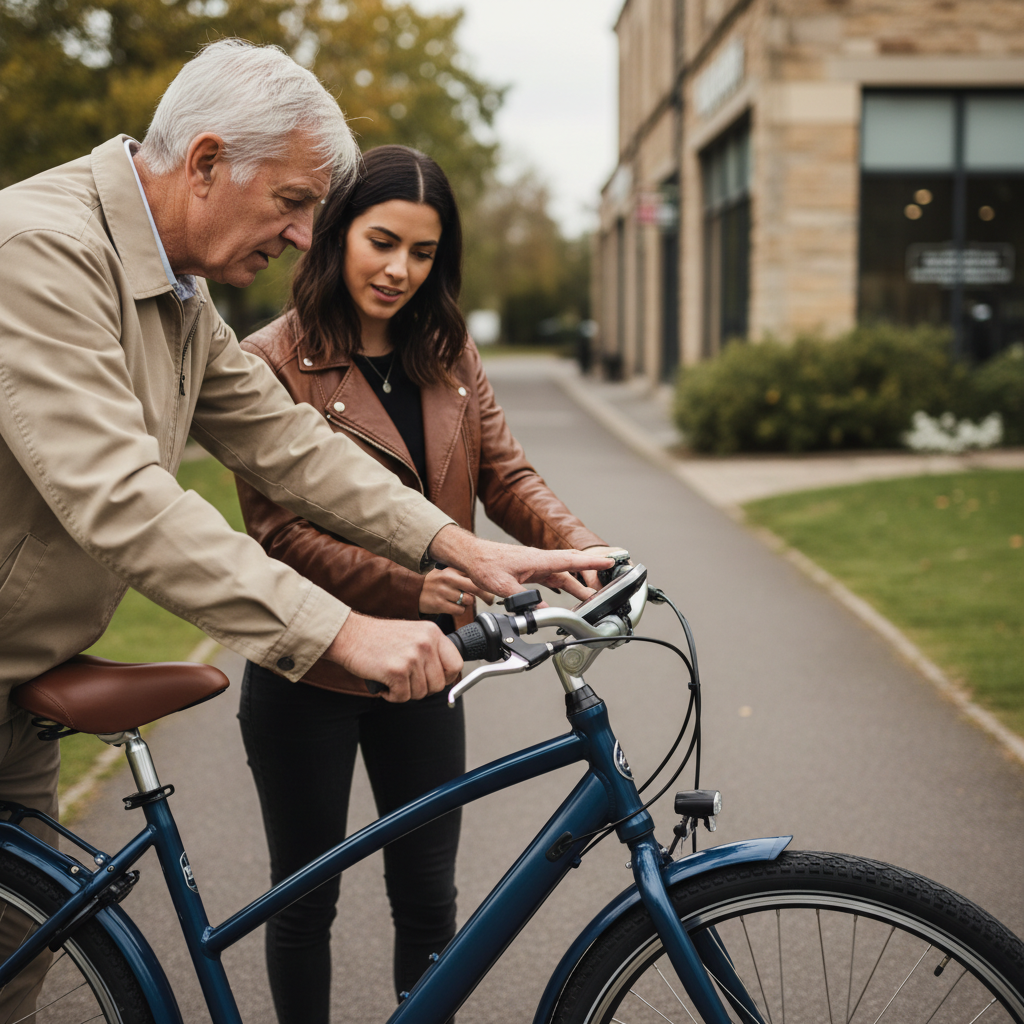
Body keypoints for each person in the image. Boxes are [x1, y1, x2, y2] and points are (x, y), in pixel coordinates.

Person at [0, 41, 610, 1018]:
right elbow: (120, 497)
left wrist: (464, 547)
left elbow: (291, 446)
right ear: (204, 163)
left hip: (19, 692)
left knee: (15, 973)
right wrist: (343, 630)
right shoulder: (39, 248)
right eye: (290, 202)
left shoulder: (176, 296)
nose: (298, 237)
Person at [234, 144, 614, 1024]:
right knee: (304, 902)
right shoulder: (270, 360)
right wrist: (418, 585)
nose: (400, 270)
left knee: (429, 899)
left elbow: (507, 478)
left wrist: (582, 548)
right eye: (382, 242)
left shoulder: (447, 351)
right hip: (310, 674)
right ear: (336, 235)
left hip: (436, 668)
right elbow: (280, 531)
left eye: (423, 252)